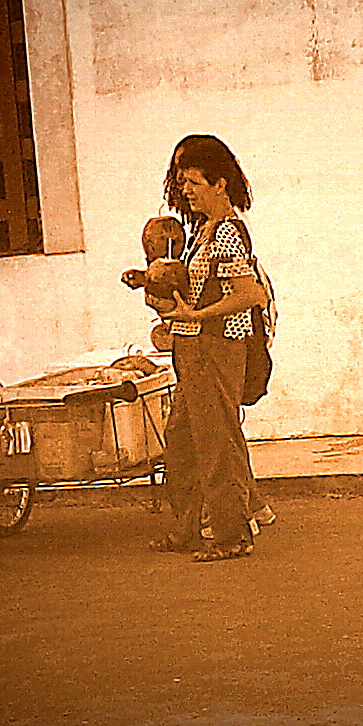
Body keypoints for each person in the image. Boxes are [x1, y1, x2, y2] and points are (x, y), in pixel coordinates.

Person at [147, 135, 273, 562]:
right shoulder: (201, 232)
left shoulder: (228, 233)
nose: (187, 190)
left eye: (195, 182)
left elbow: (248, 294)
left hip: (218, 347)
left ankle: (233, 535)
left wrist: (198, 317)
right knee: (181, 439)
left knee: (215, 441)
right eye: (183, 182)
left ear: (220, 184)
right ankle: (186, 530)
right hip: (193, 348)